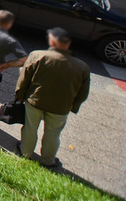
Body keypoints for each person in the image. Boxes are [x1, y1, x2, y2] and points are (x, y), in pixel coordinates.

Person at [15, 28, 90, 168]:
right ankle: (48, 160)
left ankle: (25, 152)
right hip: (61, 107)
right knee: (53, 133)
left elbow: (24, 79)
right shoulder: (82, 67)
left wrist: (19, 96)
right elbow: (83, 92)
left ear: (52, 41)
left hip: (35, 100)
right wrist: (74, 106)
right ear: (68, 44)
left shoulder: (37, 55)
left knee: (30, 128)